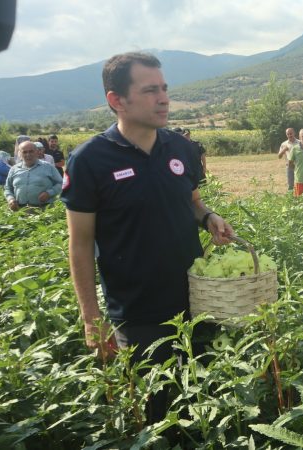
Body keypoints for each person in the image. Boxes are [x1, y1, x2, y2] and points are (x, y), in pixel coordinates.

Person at [60, 52, 234, 423]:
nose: (164, 98)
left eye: (165, 88)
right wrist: (91, 316)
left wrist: (210, 218)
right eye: (150, 90)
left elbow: (194, 203)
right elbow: (79, 244)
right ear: (116, 101)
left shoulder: (180, 148)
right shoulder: (90, 160)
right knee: (161, 418)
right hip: (140, 316)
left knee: (209, 408)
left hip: (198, 300)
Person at [4, 140, 62, 210]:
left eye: (31, 151)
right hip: (20, 211)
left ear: (37, 152)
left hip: (44, 210)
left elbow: (61, 183)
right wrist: (10, 199)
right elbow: (8, 188)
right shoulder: (14, 169)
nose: (28, 154)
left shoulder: (48, 167)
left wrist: (49, 193)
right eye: (24, 152)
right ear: (20, 154)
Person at [277, 128, 299, 192]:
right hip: (289, 166)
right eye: (288, 134)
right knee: (290, 184)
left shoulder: (300, 143)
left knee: (300, 182)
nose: (290, 135)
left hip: (298, 165)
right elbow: (279, 156)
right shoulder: (284, 144)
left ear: (294, 133)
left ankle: (300, 197)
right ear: (286, 135)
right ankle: (291, 198)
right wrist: (283, 150)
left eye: (291, 133)